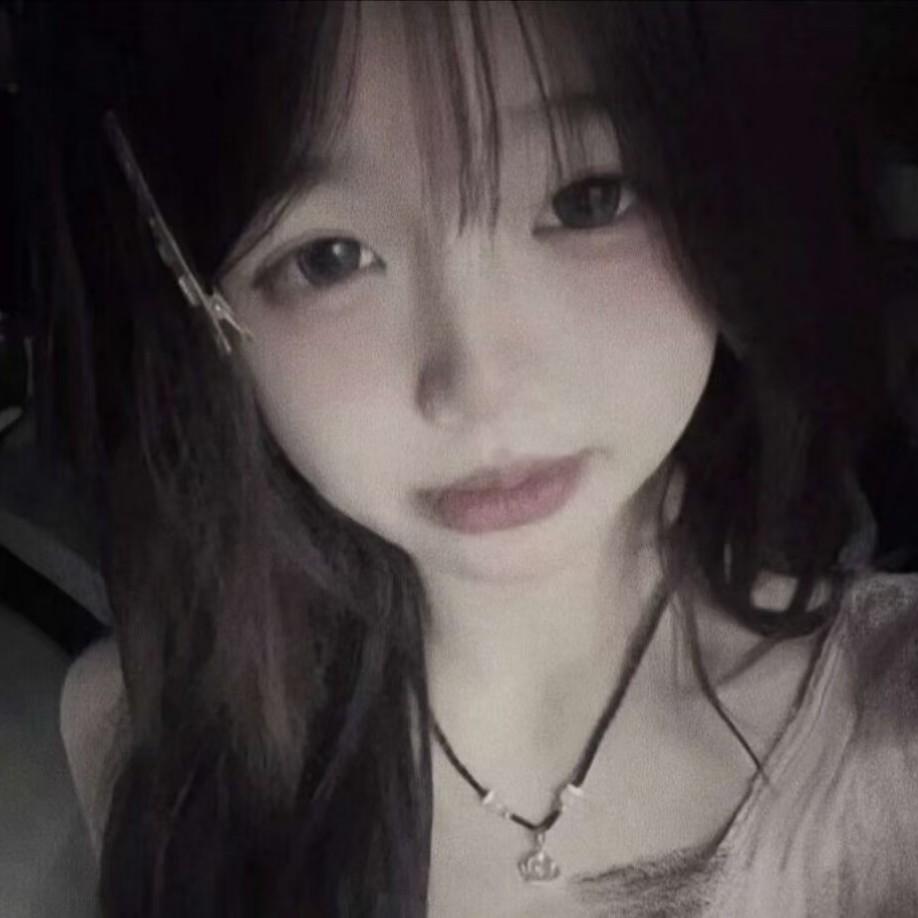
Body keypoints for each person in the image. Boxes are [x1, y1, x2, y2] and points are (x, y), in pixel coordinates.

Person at [23, 1, 918, 915]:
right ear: (201, 299)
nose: (479, 389)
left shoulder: (896, 738)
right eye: (329, 258)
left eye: (588, 199)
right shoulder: (143, 740)